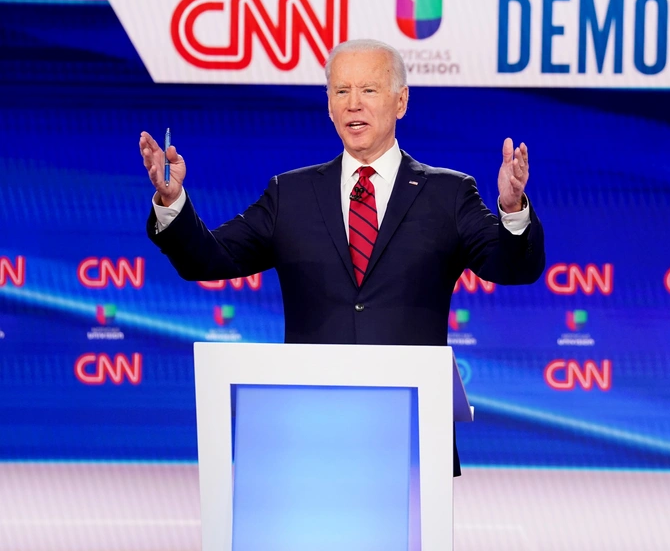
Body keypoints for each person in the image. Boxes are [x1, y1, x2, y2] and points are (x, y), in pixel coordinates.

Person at [139, 38, 545, 476]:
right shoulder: (290, 194)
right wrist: (173, 200)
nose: (354, 104)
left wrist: (511, 208)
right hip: (310, 434)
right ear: (329, 106)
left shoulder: (448, 194)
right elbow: (209, 259)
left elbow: (512, 267)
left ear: (401, 101)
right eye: (341, 91)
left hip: (409, 437)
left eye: (369, 90)